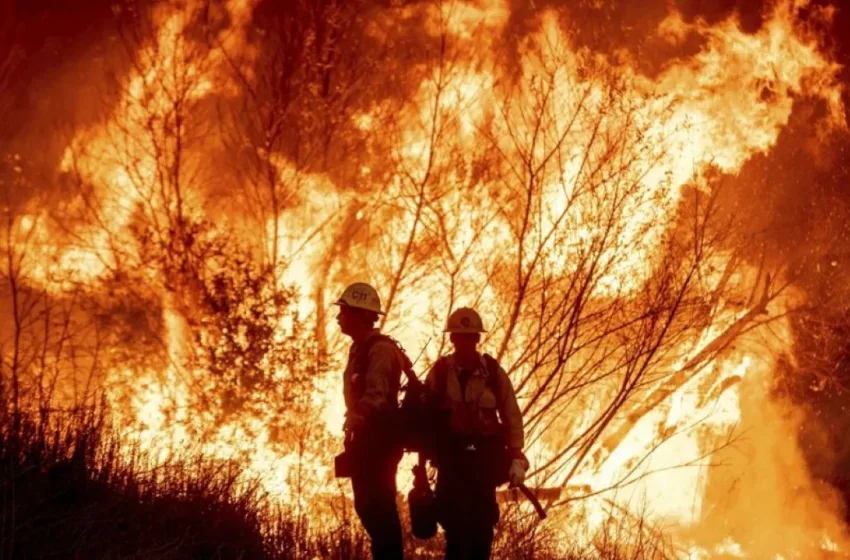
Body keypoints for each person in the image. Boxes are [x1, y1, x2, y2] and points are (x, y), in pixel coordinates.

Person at [425, 307, 529, 560]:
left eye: (470, 337)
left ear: (477, 339)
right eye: (460, 337)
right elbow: (424, 416)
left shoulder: (493, 374)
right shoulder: (439, 373)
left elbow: (512, 415)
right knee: (454, 528)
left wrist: (517, 455)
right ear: (452, 339)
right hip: (451, 463)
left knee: (482, 529)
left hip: (484, 464)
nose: (465, 342)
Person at [334, 282, 406, 560]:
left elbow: (376, 395)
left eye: (345, 311)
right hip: (365, 440)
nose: (339, 317)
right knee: (367, 507)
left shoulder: (381, 350)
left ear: (362, 315)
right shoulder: (359, 349)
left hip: (380, 441)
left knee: (380, 508)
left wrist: (358, 416)